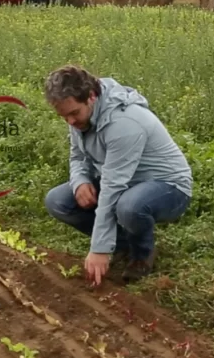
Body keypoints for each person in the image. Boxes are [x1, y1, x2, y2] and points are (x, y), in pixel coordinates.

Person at [42, 65, 192, 286]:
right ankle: (124, 244)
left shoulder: (124, 123)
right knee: (58, 201)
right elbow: (78, 156)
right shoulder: (80, 115)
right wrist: (80, 181)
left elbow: (112, 188)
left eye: (73, 113)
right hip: (122, 181)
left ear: (91, 96)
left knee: (128, 207)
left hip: (167, 186)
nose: (70, 122)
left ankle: (142, 254)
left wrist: (99, 249)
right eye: (63, 116)